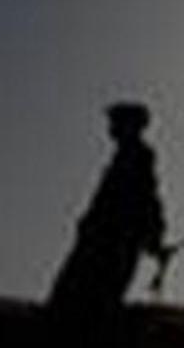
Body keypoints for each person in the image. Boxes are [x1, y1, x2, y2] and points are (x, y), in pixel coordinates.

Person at [47, 101, 168, 320]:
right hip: (103, 244)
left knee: (80, 301)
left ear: (129, 125)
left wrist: (154, 237)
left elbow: (147, 200)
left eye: (116, 121)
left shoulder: (136, 158)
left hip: (108, 247)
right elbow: (149, 202)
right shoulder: (128, 158)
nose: (111, 127)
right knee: (79, 300)